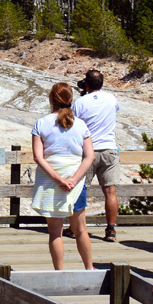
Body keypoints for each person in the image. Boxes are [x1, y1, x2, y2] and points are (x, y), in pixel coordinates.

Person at [32, 83, 95, 270]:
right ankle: (89, 268)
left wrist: (58, 179)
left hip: (50, 181)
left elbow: (38, 157)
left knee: (55, 233)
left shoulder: (41, 123)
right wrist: (73, 180)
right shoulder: (81, 124)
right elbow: (89, 156)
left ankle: (59, 271)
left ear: (51, 99)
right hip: (75, 181)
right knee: (81, 229)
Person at [72, 70, 123, 242]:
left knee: (80, 190)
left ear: (86, 84)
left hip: (88, 151)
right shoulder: (111, 99)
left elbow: (74, 125)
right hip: (109, 148)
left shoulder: (80, 102)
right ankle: (111, 229)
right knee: (110, 191)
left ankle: (77, 228)